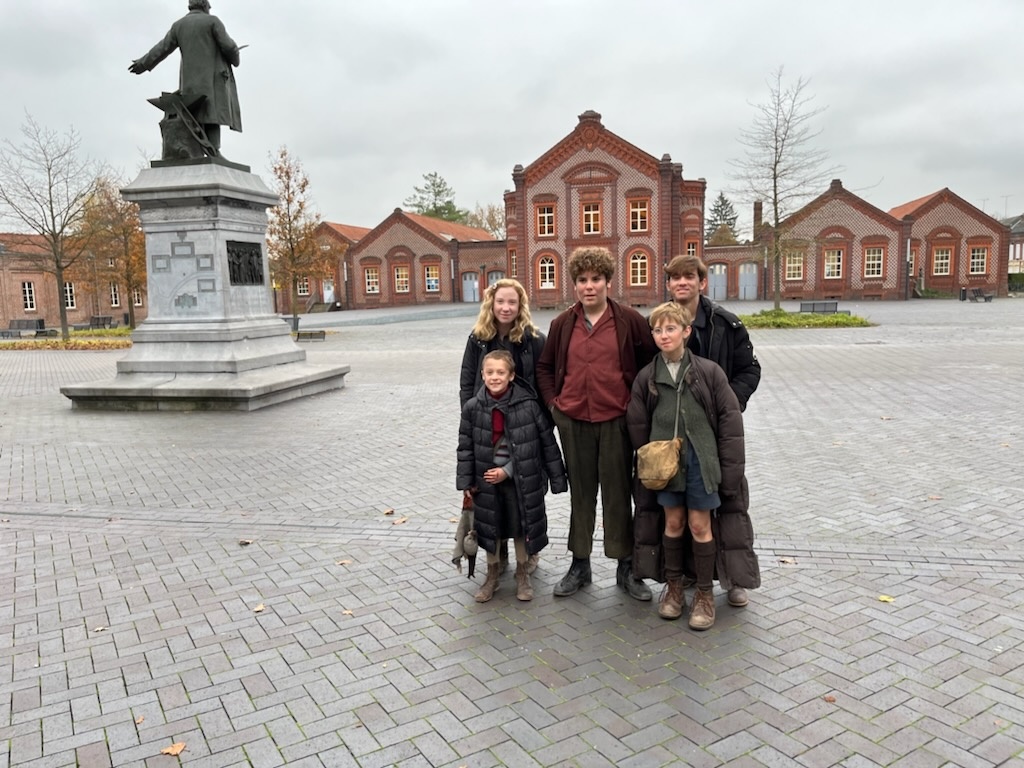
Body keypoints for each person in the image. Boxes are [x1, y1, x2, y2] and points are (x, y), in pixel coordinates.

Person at [536, 247, 658, 599]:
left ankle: (626, 567)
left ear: (607, 281)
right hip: (574, 421)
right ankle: (580, 563)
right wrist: (554, 405)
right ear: (575, 285)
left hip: (616, 421)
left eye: (595, 279)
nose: (589, 286)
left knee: (619, 495)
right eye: (582, 280)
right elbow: (545, 368)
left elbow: (650, 362)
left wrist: (636, 404)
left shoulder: (628, 320)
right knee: (582, 495)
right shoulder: (563, 324)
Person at [627, 303, 745, 630]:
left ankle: (704, 594)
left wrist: (730, 469)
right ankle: (675, 587)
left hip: (701, 461)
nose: (664, 335)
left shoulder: (709, 372)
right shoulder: (648, 376)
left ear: (686, 331)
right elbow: (637, 420)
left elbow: (730, 421)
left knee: (699, 525)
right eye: (657, 330)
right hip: (666, 466)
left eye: (670, 329)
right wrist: (648, 456)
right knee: (673, 523)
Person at [664, 253, 761, 607]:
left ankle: (734, 578)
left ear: (702, 282)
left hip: (719, 433)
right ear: (670, 284)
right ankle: (689, 573)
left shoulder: (726, 324)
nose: (682, 283)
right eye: (675, 278)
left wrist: (727, 406)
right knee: (683, 506)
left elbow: (750, 370)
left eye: (689, 276)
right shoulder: (660, 323)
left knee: (729, 501)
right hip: (677, 435)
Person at [457, 350, 567, 603]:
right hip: (485, 482)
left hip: (520, 480)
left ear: (512, 375)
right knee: (490, 528)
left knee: (520, 527)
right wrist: (465, 482)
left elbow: (544, 444)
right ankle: (492, 575)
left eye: (501, 372)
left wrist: (555, 477)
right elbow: (465, 447)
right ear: (482, 374)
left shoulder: (528, 406)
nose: (495, 377)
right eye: (490, 372)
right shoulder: (473, 407)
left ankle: (521, 573)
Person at [459, 278, 547, 575]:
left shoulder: (533, 338)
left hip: (522, 427)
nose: (506, 307)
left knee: (523, 492)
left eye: (512, 302)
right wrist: (471, 423)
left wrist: (540, 424)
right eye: (500, 302)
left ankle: (529, 552)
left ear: (520, 305)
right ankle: (499, 553)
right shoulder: (478, 339)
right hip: (487, 425)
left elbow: (542, 382)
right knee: (491, 491)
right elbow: (467, 382)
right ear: (491, 305)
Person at [129, 0, 242, 152]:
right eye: (209, 4)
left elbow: (162, 48)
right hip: (214, 80)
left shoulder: (179, 25)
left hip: (190, 83)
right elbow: (230, 47)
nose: (210, 7)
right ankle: (214, 151)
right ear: (204, 5)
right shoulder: (212, 21)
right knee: (212, 114)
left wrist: (143, 63)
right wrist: (235, 60)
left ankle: (197, 152)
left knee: (194, 114)